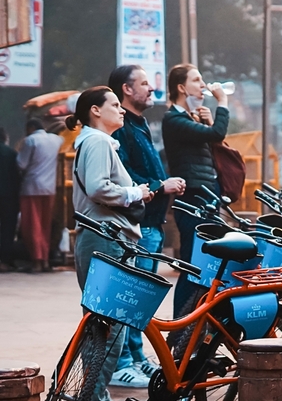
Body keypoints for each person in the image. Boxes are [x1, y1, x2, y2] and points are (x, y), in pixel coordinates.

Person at [67, 86, 154, 401]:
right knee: (111, 328)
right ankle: (92, 396)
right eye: (115, 104)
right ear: (95, 110)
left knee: (98, 327)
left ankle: (91, 394)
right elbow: (97, 188)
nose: (121, 110)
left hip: (99, 237)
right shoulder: (99, 141)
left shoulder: (92, 142)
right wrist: (135, 192)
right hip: (107, 239)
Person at [108, 65, 186, 386]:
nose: (151, 88)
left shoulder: (138, 124)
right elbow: (122, 177)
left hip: (151, 224)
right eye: (143, 83)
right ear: (126, 90)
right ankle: (122, 363)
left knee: (140, 300)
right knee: (129, 298)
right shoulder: (121, 128)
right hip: (136, 226)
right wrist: (159, 185)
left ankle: (138, 358)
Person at [162, 64, 229, 318]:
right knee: (193, 265)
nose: (203, 85)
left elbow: (214, 139)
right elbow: (218, 133)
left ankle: (199, 326)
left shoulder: (190, 118)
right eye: (197, 80)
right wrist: (222, 102)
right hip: (192, 198)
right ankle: (180, 326)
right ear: (181, 87)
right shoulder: (174, 119)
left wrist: (208, 121)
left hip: (206, 196)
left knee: (207, 265)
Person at [16, 117, 63, 272]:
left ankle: (37, 260)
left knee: (32, 225)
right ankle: (45, 261)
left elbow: (21, 164)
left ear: (30, 128)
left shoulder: (30, 141)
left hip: (31, 188)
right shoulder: (56, 140)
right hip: (50, 188)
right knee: (45, 225)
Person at [0, 128, 20, 272]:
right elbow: (17, 176)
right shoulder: (11, 153)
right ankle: (5, 261)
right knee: (7, 229)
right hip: (9, 196)